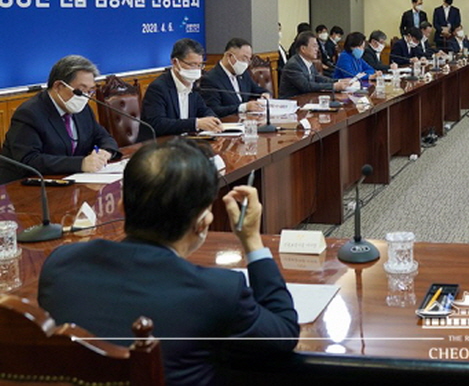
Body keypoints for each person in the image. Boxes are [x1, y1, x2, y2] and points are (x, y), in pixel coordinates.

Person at [38, 138, 300, 386]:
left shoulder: (61, 264)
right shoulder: (217, 292)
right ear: (202, 223)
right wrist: (252, 240)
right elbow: (284, 334)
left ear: (121, 208)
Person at [0, 55, 119, 185]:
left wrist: (106, 151)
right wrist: (81, 163)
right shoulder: (29, 113)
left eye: (90, 91)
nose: (85, 97)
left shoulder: (83, 109)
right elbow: (29, 160)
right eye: (81, 90)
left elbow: (103, 137)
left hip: (70, 183)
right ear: (58, 86)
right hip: (26, 188)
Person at [141, 38, 222, 140]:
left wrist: (213, 120)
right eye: (192, 65)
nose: (197, 70)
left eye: (199, 65)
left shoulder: (193, 86)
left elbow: (204, 110)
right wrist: (196, 123)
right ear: (175, 62)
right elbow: (157, 124)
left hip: (186, 144)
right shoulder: (158, 88)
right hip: (161, 147)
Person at [198, 38, 268, 117]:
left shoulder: (243, 74)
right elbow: (213, 110)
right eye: (244, 58)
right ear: (229, 56)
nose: (246, 63)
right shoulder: (210, 79)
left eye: (249, 59)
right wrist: (243, 107)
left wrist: (265, 94)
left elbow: (257, 90)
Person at [278, 31, 349, 98]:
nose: (317, 49)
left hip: (307, 100)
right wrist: (333, 86)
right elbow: (306, 86)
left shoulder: (308, 61)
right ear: (303, 48)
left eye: (317, 46)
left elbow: (318, 78)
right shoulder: (294, 65)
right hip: (291, 103)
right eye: (314, 46)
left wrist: (339, 81)